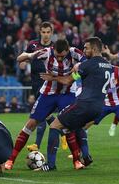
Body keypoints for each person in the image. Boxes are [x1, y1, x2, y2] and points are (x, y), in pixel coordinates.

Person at [5, 38, 85, 171]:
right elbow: (20, 58)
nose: (59, 59)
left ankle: (77, 161)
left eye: (62, 56)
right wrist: (30, 55)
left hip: (67, 94)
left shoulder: (75, 53)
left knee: (67, 126)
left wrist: (77, 71)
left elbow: (86, 66)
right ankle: (11, 159)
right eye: (57, 56)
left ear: (67, 50)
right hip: (48, 93)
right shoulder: (46, 52)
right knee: (30, 124)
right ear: (53, 50)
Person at [42, 37, 113, 170]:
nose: (84, 50)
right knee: (75, 127)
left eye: (86, 48)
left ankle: (50, 165)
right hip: (98, 107)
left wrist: (54, 77)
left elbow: (69, 81)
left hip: (84, 104)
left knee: (54, 125)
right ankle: (86, 156)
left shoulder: (87, 64)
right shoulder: (108, 66)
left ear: (94, 49)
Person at [19, 22, 55, 150]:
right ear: (40, 32)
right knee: (46, 114)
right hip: (35, 82)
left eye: (48, 32)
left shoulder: (54, 47)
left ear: (51, 33)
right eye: (43, 32)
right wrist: (23, 61)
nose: (46, 35)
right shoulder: (32, 45)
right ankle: (63, 134)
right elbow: (21, 58)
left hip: (50, 83)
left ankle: (37, 145)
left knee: (42, 113)